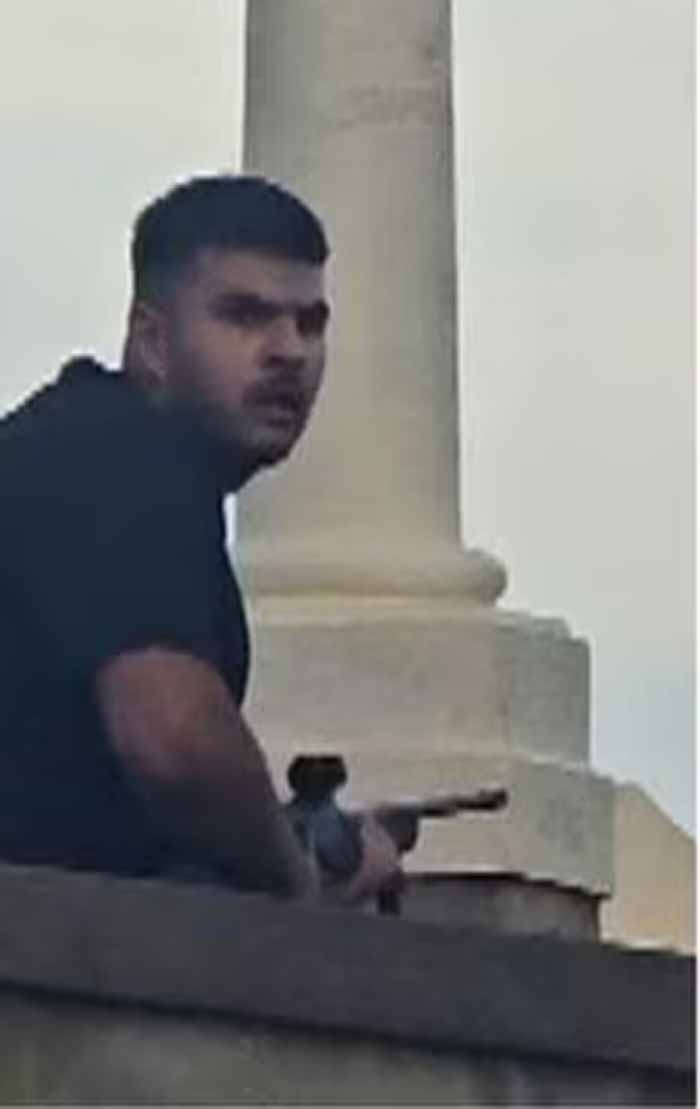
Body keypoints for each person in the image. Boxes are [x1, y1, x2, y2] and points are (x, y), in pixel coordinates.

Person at [0, 175, 399, 903]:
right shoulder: (122, 454)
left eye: (310, 324)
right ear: (154, 341)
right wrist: (300, 880)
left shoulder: (84, 447)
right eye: (245, 316)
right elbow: (175, 740)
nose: (289, 351)